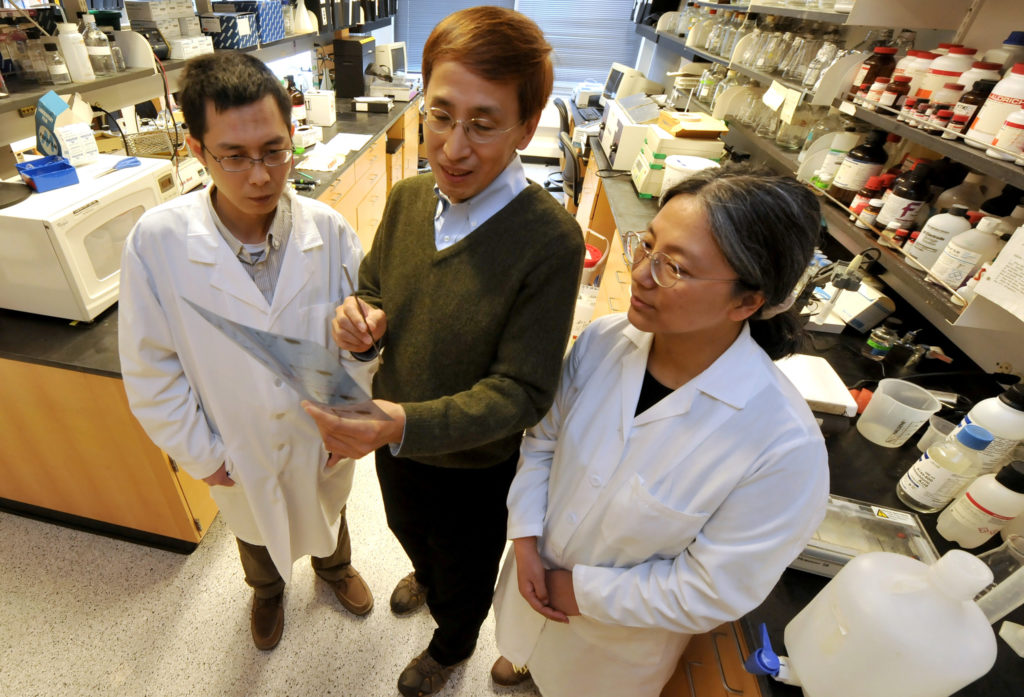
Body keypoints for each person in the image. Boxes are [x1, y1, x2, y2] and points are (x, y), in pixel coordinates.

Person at [301, 7, 585, 696]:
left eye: (484, 123)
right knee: (405, 527)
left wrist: (402, 421)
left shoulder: (549, 241)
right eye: (440, 115)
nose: (453, 147)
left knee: (464, 568)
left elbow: (521, 390)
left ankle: (452, 641)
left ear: (526, 124)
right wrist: (359, 317)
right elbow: (375, 287)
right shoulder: (405, 199)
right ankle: (424, 573)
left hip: (473, 462)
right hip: (397, 440)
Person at [490, 164, 831, 696]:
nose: (641, 273)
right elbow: (544, 441)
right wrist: (527, 539)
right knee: (517, 643)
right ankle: (521, 655)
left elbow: (711, 590)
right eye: (645, 246)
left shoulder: (783, 448)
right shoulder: (604, 340)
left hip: (609, 648)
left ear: (747, 301)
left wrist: (578, 593)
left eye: (674, 267)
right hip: (532, 571)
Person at [118, 52, 374, 652]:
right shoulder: (158, 244)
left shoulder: (329, 230)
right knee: (253, 525)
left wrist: (352, 418)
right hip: (232, 442)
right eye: (234, 157)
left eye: (274, 151)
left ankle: (333, 571)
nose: (259, 176)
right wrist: (201, 454)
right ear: (198, 149)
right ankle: (266, 591)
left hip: (325, 433)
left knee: (328, 508)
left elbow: (361, 340)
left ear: (291, 139)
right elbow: (150, 368)